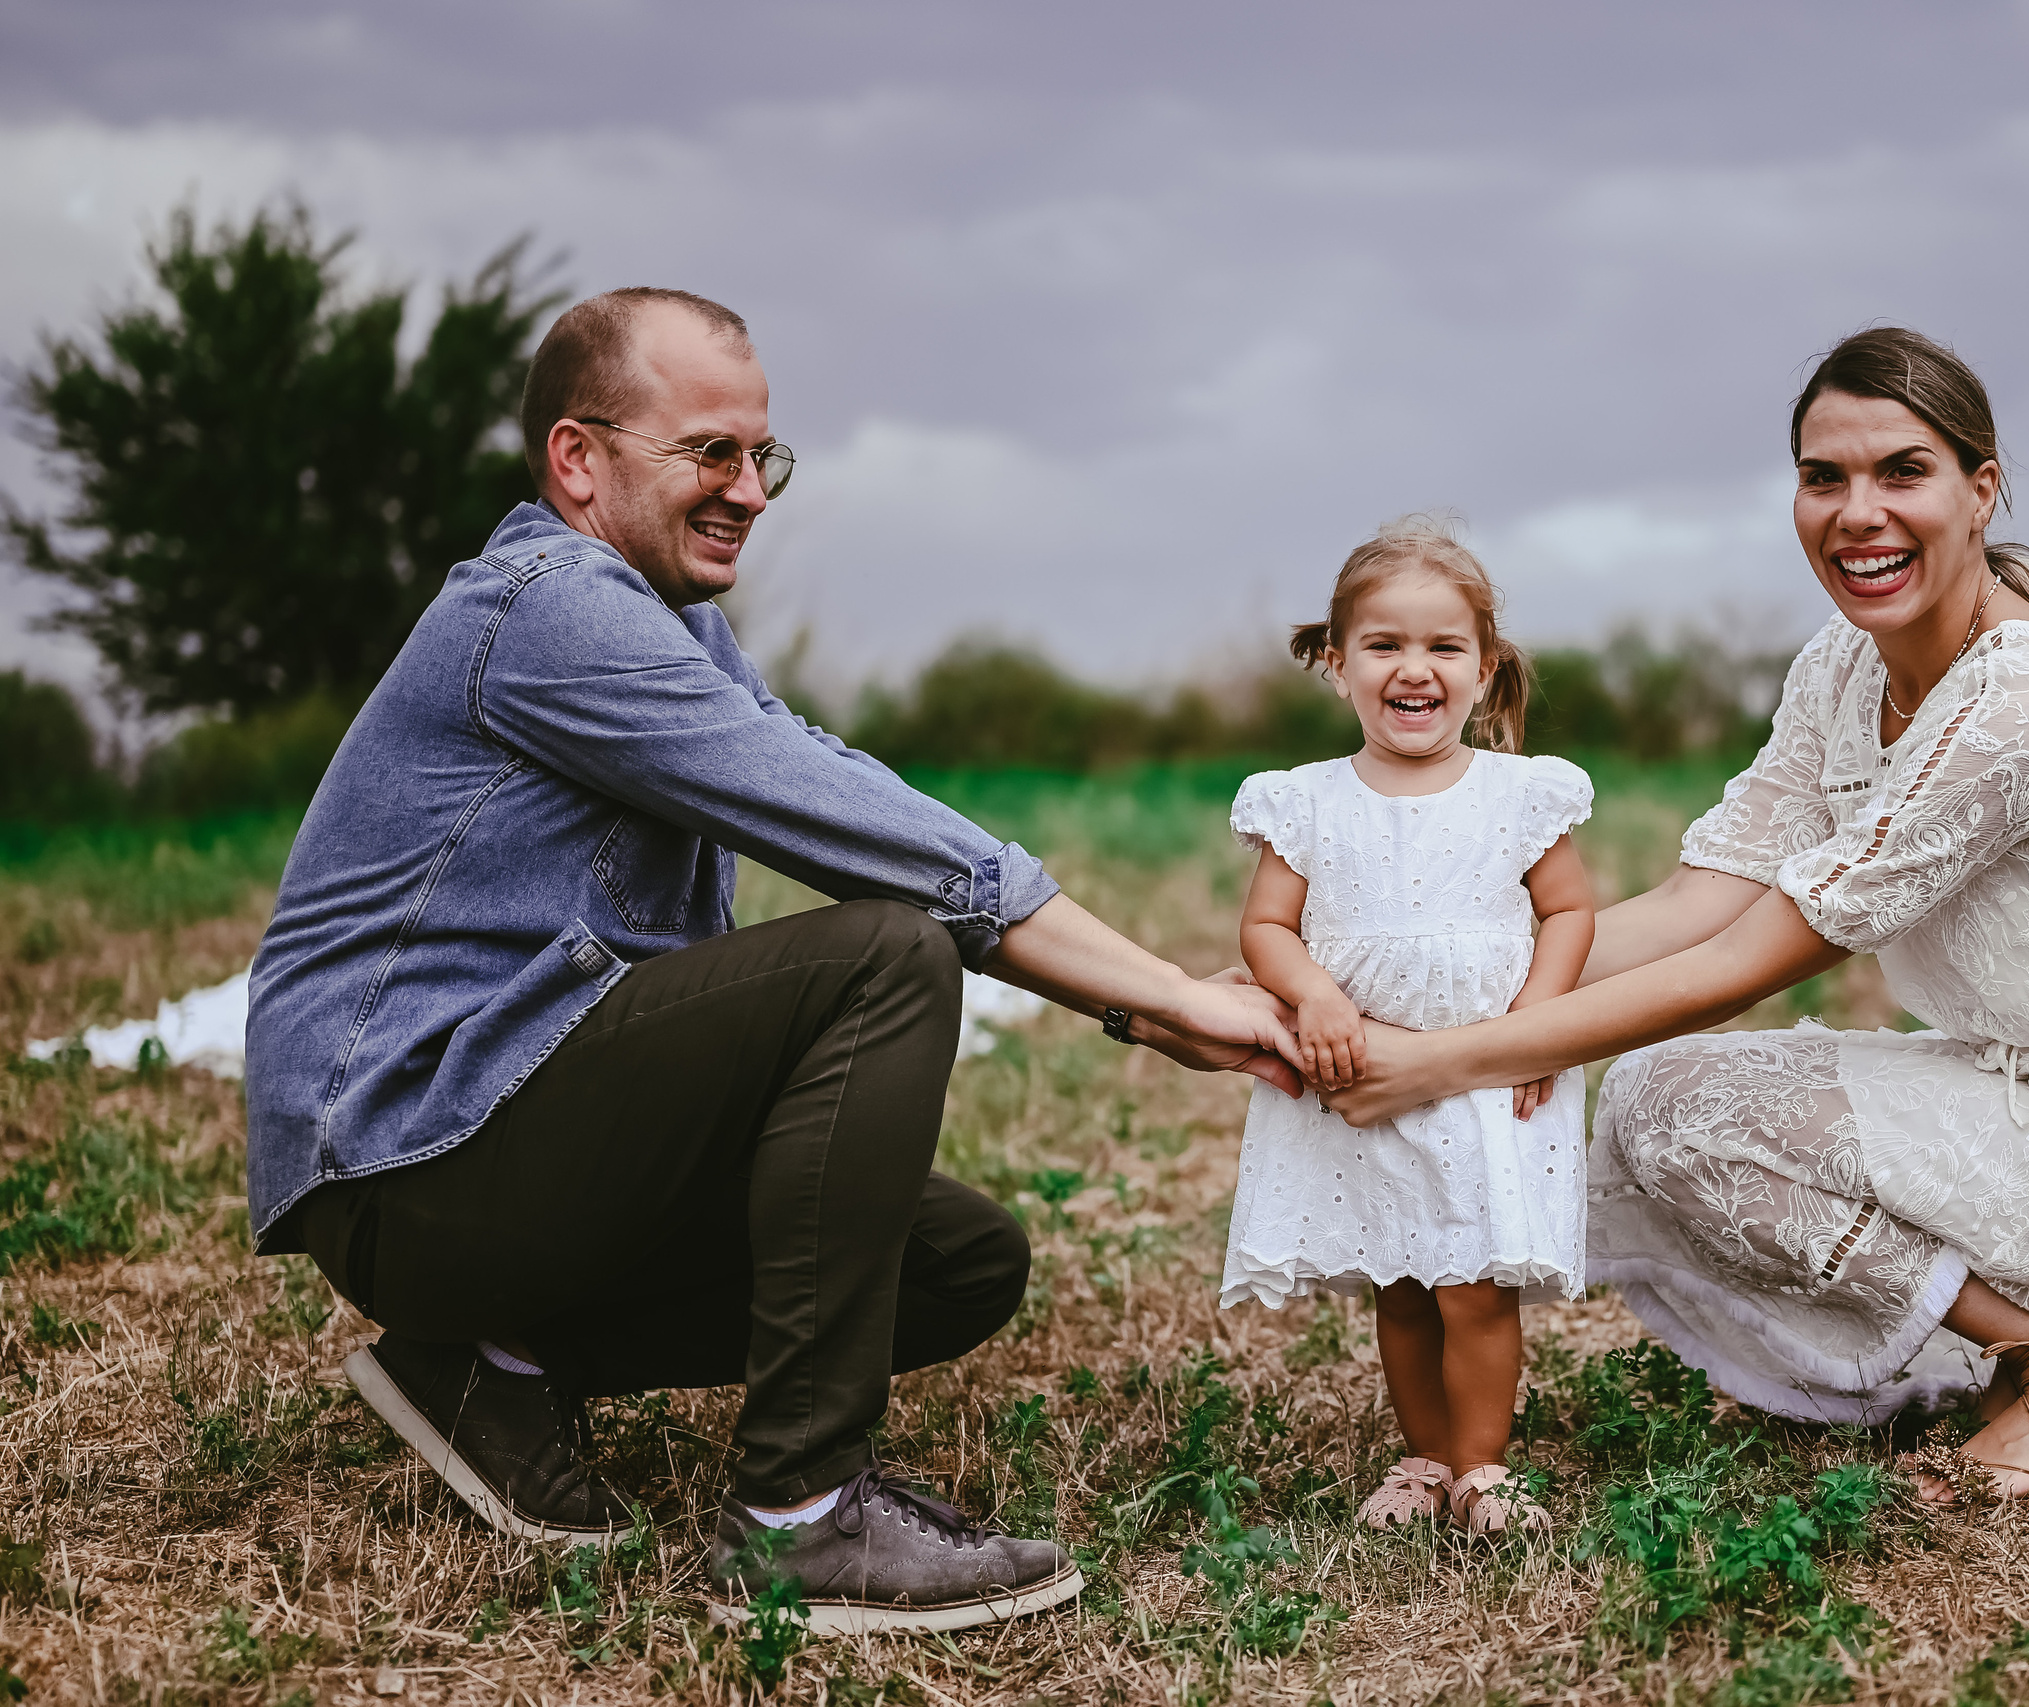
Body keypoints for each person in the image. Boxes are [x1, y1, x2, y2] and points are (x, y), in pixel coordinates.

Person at [244, 287, 1305, 1633]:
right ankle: (799, 1520)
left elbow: (835, 775)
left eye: (765, 457)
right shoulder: (547, 608)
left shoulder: (672, 620)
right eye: (711, 453)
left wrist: (1146, 991)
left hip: (504, 1140)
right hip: (412, 1152)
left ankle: (495, 1359)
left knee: (958, 1258)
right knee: (882, 956)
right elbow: (850, 827)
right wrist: (1154, 1000)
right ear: (579, 459)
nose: (750, 489)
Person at [1324, 330, 2029, 1499]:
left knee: (1681, 1106)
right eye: (1823, 477)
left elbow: (1743, 963)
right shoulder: (1843, 665)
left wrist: (1437, 1061)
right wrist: (1356, 981)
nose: (1856, 512)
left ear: (1980, 491)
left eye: (1901, 472)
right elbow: (1699, 901)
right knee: (1659, 1104)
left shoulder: (2025, 702)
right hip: (2024, 1089)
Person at [1223, 518, 1596, 1534]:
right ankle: (1424, 1457)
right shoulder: (1304, 802)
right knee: (1402, 1280)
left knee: (1473, 1284)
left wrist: (1541, 1024)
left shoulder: (1522, 795)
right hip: (1367, 1070)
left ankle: (1482, 1467)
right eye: (1385, 645)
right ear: (1337, 664)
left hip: (1483, 1074)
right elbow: (1266, 928)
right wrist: (1316, 995)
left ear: (1483, 669)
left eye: (1443, 647)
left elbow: (1568, 912)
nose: (1413, 668)